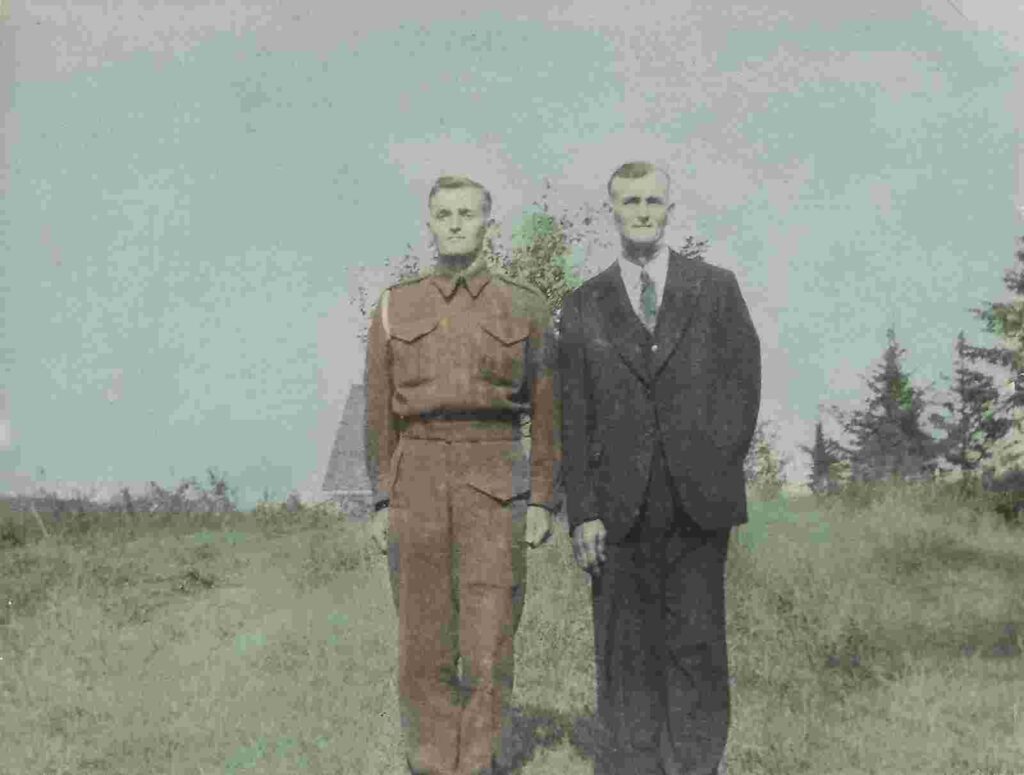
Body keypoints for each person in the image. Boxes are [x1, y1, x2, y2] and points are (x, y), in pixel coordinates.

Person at [558, 161, 761, 775]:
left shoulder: (714, 288)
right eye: (629, 202)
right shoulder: (584, 303)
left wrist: (712, 464)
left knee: (696, 647)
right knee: (626, 655)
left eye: (652, 201)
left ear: (671, 208)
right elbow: (573, 416)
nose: (642, 211)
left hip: (697, 502)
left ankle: (698, 766)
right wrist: (584, 512)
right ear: (611, 210)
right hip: (618, 510)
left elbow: (742, 386)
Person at [363, 175, 560, 775]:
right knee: (423, 648)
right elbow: (378, 414)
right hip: (417, 480)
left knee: (489, 644)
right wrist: (380, 503)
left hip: (494, 477)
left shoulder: (523, 306)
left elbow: (550, 410)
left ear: (486, 224)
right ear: (430, 223)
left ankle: (477, 766)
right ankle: (430, 765)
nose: (454, 224)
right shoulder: (397, 305)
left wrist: (543, 499)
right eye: (443, 214)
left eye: (466, 214)